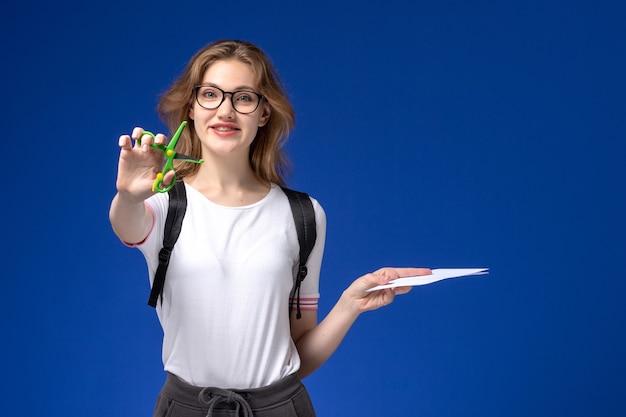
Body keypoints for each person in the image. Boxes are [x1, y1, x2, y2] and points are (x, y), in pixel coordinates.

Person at [109, 39, 431, 417]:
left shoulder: (304, 214)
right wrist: (128, 196)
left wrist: (349, 305)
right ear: (191, 108)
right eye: (210, 94)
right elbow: (126, 225)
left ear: (263, 113)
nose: (225, 110)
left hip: (281, 408)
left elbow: (299, 356)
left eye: (243, 97)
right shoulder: (163, 205)